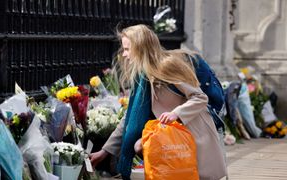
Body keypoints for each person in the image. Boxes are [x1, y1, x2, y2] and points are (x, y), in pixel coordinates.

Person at [89, 24, 227, 180]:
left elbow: (200, 97)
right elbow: (129, 118)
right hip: (173, 138)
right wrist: (105, 151)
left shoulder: (165, 66)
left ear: (140, 47)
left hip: (193, 133)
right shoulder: (142, 75)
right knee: (143, 148)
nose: (124, 54)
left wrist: (176, 114)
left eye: (127, 49)